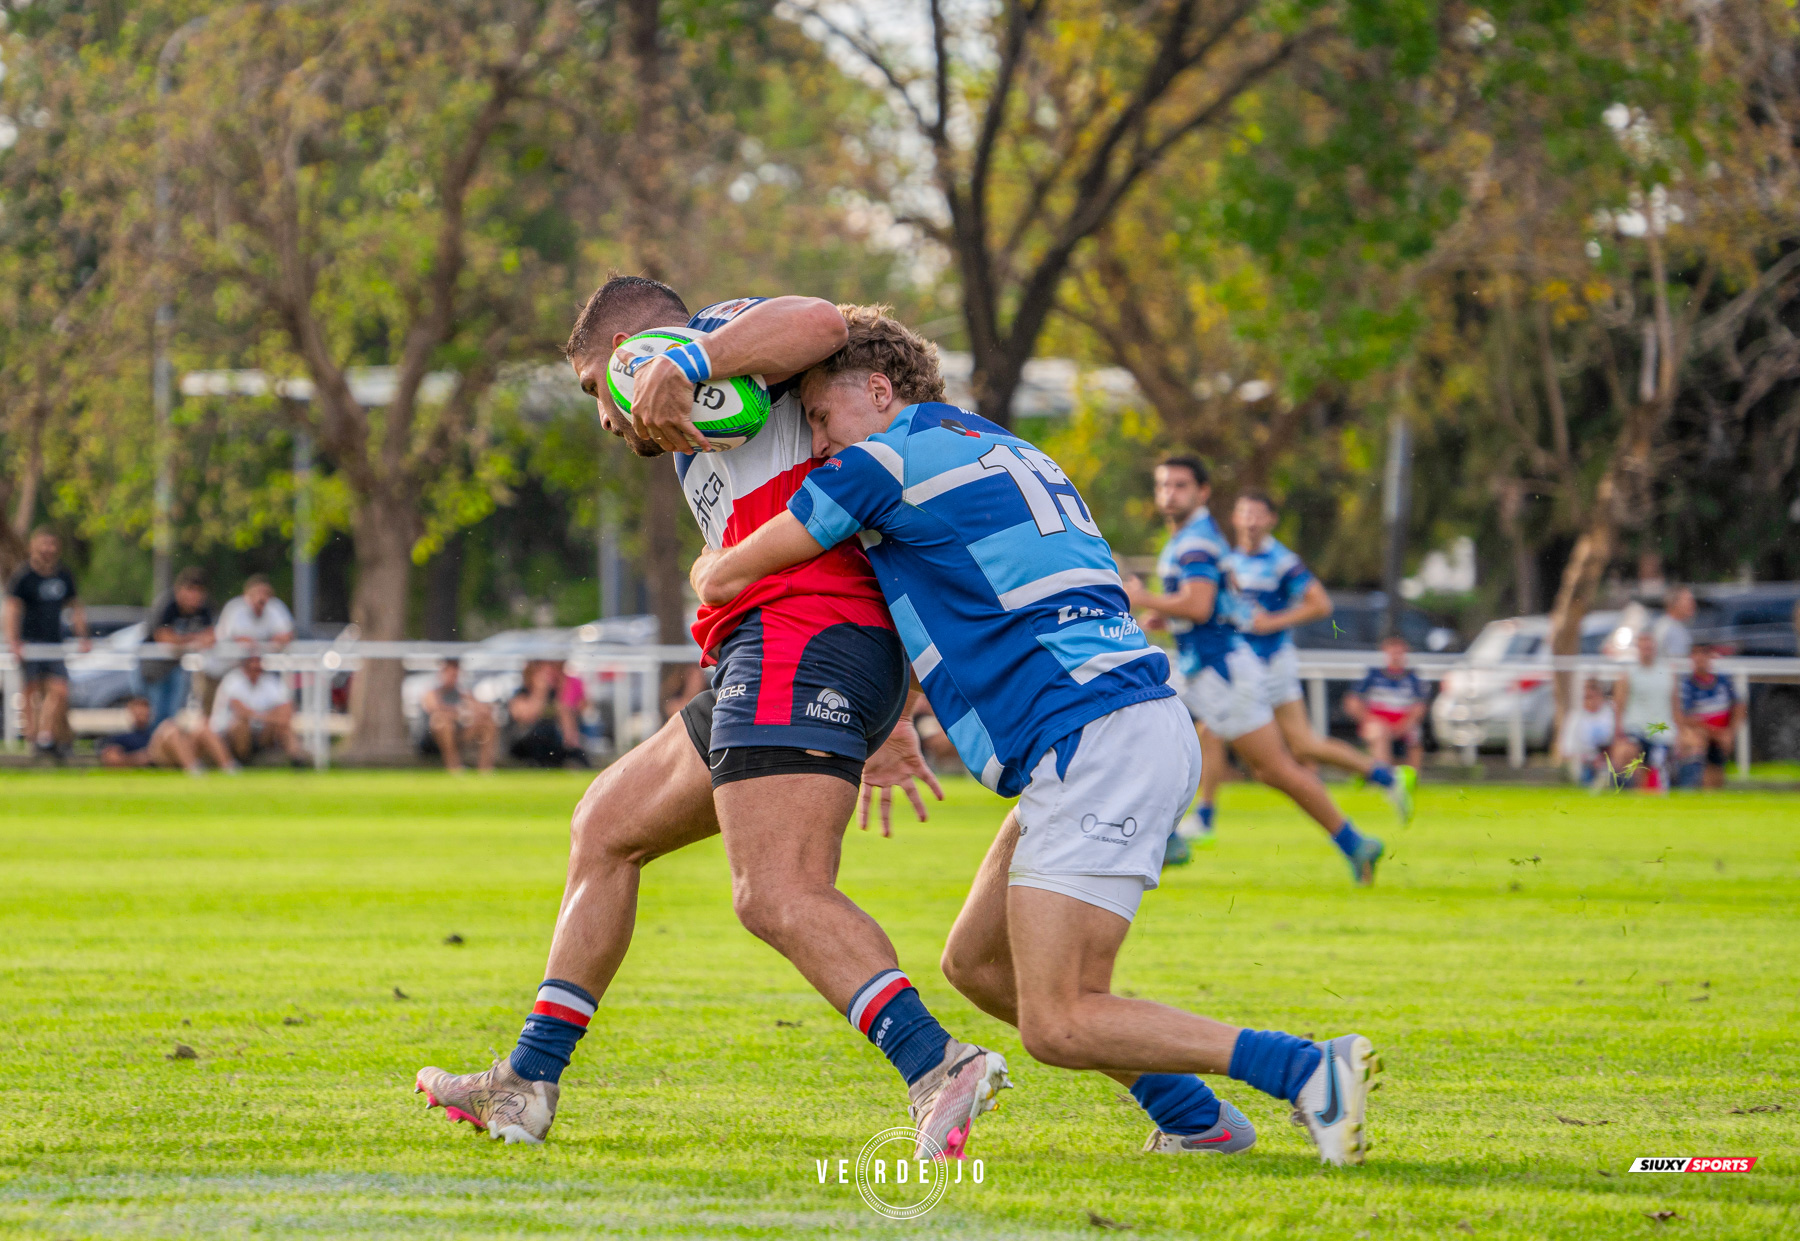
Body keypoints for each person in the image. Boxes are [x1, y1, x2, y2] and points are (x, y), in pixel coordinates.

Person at [692, 307, 1382, 1167]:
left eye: (821, 419)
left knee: (1059, 1019)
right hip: (1106, 725)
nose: (819, 444)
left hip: (1094, 734)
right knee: (977, 964)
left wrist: (705, 564)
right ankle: (1198, 1118)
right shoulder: (998, 444)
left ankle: (1309, 1068)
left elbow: (737, 569)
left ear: (877, 390)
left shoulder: (880, 460)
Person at [417, 280, 998, 1160]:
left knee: (777, 891)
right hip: (780, 652)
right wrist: (891, 716)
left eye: (593, 389)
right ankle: (527, 1082)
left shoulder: (711, 340)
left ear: (625, 348)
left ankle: (935, 1062)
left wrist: (680, 356)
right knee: (605, 825)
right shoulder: (710, 420)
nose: (605, 420)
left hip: (801, 638)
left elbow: (823, 323)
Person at [1128, 459, 1386, 885]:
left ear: (1203, 492)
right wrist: (1166, 615)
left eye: (1180, 485)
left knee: (1276, 769)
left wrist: (1144, 598)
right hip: (1205, 667)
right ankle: (1169, 834)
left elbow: (1198, 605)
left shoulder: (1195, 543)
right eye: (1163, 485)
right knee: (1142, 725)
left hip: (1222, 674)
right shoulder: (1191, 538)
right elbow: (1204, 607)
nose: (1169, 494)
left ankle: (1355, 843)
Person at [1226, 491, 1415, 823]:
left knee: (1211, 731)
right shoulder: (1231, 560)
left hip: (1270, 663)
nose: (1251, 521)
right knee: (1304, 746)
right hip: (1248, 662)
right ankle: (1387, 777)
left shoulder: (1281, 561)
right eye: (1244, 513)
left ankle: (1205, 818)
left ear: (1271, 520)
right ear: (1235, 518)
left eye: (1258, 514)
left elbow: (1320, 604)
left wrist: (1272, 622)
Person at [5, 527, 89, 758]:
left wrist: (83, 636)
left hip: (55, 645)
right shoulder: (24, 576)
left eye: (52, 544)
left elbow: (75, 606)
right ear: (33, 546)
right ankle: (32, 740)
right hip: (30, 644)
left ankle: (46, 735)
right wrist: (14, 641)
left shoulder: (63, 575)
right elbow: (12, 609)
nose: (47, 549)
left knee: (59, 690)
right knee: (30, 691)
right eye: (43, 544)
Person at [208, 574, 296, 713]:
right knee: (215, 713)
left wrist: (257, 645)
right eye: (257, 593)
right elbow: (239, 639)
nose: (261, 598)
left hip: (256, 670)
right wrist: (266, 644)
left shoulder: (275, 607)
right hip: (223, 670)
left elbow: (285, 636)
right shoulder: (235, 608)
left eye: (265, 593)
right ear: (246, 594)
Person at [142, 567, 215, 729]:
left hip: (176, 666)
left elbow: (211, 636)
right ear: (179, 590)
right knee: (155, 712)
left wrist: (181, 640)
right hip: (153, 668)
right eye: (190, 590)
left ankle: (166, 747)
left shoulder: (204, 609)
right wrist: (193, 639)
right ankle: (153, 748)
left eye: (198, 591)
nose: (194, 597)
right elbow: (163, 637)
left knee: (172, 713)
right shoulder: (167, 605)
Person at [1343, 636, 1429, 772]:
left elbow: (1419, 707)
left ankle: (1411, 780)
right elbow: (1352, 702)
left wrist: (1404, 725)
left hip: (1404, 723)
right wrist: (1368, 719)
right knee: (1379, 733)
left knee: (1415, 737)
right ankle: (1384, 778)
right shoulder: (1373, 675)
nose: (1396, 657)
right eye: (1393, 652)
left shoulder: (1413, 678)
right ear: (1385, 653)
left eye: (1400, 653)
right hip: (1376, 722)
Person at [98, 694, 236, 774]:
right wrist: (139, 758)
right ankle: (194, 770)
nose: (142, 714)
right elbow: (110, 759)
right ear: (130, 711)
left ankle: (229, 768)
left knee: (203, 728)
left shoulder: (152, 728)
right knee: (170, 729)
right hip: (158, 755)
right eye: (138, 710)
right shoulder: (122, 736)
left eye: (145, 710)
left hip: (180, 749)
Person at [210, 651, 305, 765]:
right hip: (229, 734)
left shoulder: (270, 682)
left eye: (258, 665)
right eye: (252, 664)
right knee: (241, 725)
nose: (256, 668)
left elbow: (287, 710)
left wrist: (266, 717)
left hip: (262, 732)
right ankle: (242, 760)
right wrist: (271, 716)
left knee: (284, 727)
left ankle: (298, 760)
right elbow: (241, 712)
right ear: (245, 665)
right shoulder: (232, 681)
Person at [1610, 631, 1674, 790]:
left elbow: (1675, 705)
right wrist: (1617, 733)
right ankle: (1626, 795)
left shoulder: (1667, 672)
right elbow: (1619, 705)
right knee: (1627, 753)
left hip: (1661, 728)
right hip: (1636, 727)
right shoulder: (1628, 674)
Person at [1673, 645, 1741, 790]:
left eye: (1704, 653)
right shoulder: (1687, 684)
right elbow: (1686, 718)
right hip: (1703, 734)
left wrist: (1730, 732)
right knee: (1696, 740)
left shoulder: (1723, 681)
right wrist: (1717, 734)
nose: (1700, 658)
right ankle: (1689, 787)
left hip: (1721, 735)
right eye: (1696, 654)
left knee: (1717, 777)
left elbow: (1739, 705)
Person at [421, 656, 497, 773]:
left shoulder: (463, 694)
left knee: (487, 723)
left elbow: (483, 710)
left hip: (458, 736)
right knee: (441, 721)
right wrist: (459, 713)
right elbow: (435, 709)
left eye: (455, 675)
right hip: (433, 740)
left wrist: (475, 712)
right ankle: (454, 768)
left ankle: (485, 769)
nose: (453, 678)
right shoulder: (432, 693)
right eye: (450, 674)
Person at [505, 660, 586, 768]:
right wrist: (540, 692)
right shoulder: (521, 693)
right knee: (543, 732)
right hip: (525, 743)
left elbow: (566, 723)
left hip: (552, 742)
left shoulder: (554, 695)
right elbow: (527, 717)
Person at [1557, 679, 1617, 788]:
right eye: (1587, 697)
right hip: (1585, 762)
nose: (1590, 701)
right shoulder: (1575, 717)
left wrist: (1603, 757)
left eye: (1593, 697)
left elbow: (1617, 740)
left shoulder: (1610, 714)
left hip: (1607, 760)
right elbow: (1567, 750)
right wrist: (1588, 758)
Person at [1653, 586, 1696, 659]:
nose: (1693, 604)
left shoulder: (1676, 625)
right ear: (1674, 603)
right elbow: (1678, 662)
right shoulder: (1669, 628)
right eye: (1688, 601)